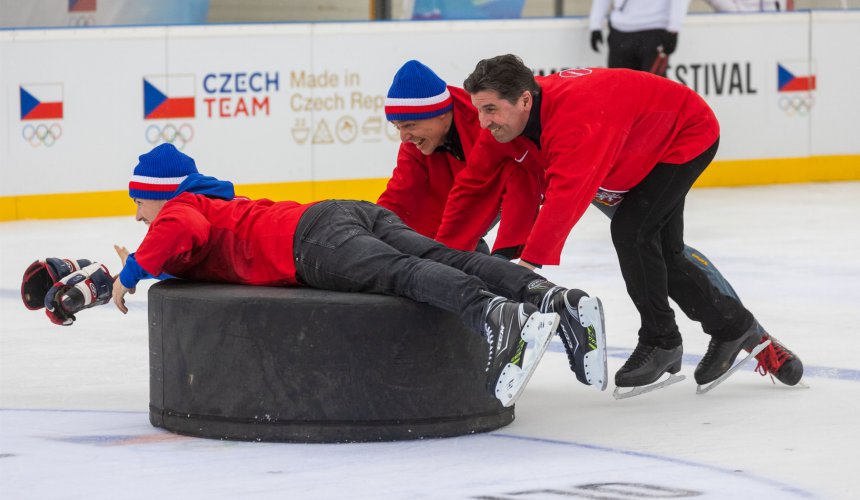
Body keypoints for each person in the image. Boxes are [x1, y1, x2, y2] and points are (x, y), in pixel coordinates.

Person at [111, 143, 608, 406]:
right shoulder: (215, 204)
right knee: (446, 256)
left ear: (161, 191)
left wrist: (131, 271)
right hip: (341, 214)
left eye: (139, 201)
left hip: (310, 244)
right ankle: (548, 298)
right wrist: (154, 257)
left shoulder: (182, 207)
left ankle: (494, 315)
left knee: (405, 274)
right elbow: (192, 242)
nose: (138, 215)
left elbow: (183, 225)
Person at [451, 54, 803, 397]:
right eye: (479, 110)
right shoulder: (507, 121)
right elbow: (472, 184)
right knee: (664, 252)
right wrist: (440, 253)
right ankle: (734, 327)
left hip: (683, 133)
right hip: (631, 147)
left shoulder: (577, 120)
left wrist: (525, 270)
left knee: (633, 232)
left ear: (524, 100)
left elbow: (565, 198)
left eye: (490, 110)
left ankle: (661, 340)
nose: (483, 122)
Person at [378, 60, 544, 259]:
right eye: (398, 127)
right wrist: (371, 228)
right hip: (465, 198)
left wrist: (505, 252)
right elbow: (401, 191)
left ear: (440, 114)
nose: (404, 137)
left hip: (546, 169)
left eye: (410, 126)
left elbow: (521, 182)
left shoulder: (486, 123)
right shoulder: (418, 141)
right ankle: (467, 254)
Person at [588, 0, 690, 77]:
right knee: (620, 89)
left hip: (654, 30)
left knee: (654, 92)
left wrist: (674, 29)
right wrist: (595, 25)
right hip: (620, 31)